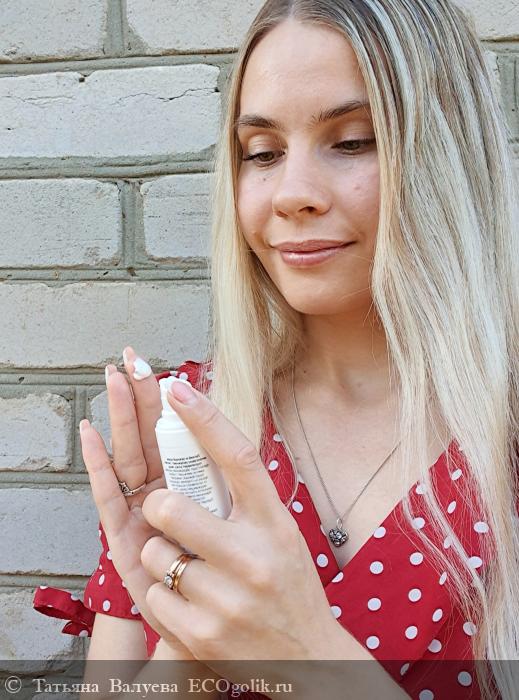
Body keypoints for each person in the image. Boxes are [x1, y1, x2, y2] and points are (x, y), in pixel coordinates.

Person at [33, 1, 519, 698]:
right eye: (261, 153)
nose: (292, 195)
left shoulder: (502, 441)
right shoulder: (189, 428)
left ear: (449, 156)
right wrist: (188, 643)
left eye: (352, 141)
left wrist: (308, 657)